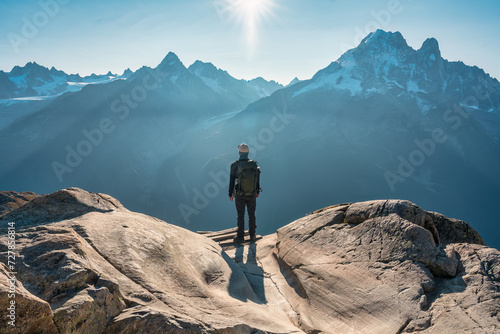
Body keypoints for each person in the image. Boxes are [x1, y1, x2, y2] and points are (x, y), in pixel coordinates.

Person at [228, 143, 261, 243]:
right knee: (252, 214)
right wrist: (257, 191)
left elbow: (232, 180)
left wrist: (230, 193)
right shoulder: (254, 164)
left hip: (239, 194)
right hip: (252, 193)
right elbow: (257, 178)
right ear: (248, 152)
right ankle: (252, 235)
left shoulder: (234, 165)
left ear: (239, 152)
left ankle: (240, 237)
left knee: (240, 215)